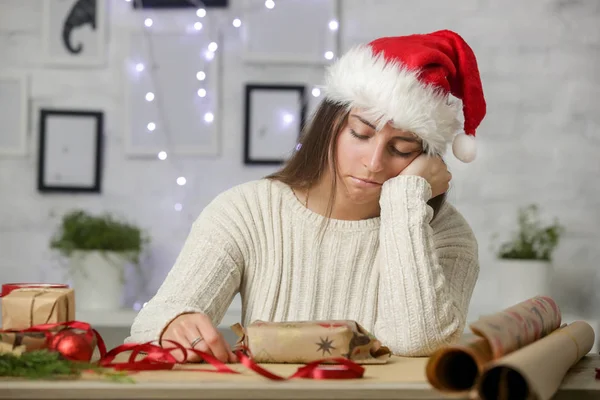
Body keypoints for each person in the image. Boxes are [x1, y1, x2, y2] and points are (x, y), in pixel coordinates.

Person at [125, 29, 487, 363]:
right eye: (361, 134)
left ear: (427, 159)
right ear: (330, 126)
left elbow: (420, 343)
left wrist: (407, 201)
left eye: (402, 147)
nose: (374, 163)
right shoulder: (247, 211)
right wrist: (175, 323)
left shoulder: (449, 236)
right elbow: (149, 324)